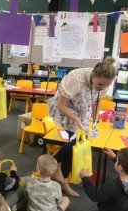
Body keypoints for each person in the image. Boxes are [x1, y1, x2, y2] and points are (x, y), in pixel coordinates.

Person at [47, 57, 117, 197]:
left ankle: (58, 170)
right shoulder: (76, 79)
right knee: (75, 143)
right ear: (93, 75)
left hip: (81, 111)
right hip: (66, 109)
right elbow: (61, 105)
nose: (102, 88)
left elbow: (98, 100)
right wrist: (76, 119)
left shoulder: (104, 83)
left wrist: (95, 119)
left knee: (76, 144)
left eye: (106, 85)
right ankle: (56, 168)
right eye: (100, 84)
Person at [79, 147, 128, 211]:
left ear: (120, 167)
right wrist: (115, 158)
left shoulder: (112, 187)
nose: (116, 161)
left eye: (117, 160)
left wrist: (85, 178)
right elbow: (126, 166)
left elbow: (95, 196)